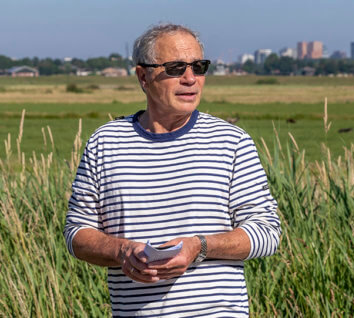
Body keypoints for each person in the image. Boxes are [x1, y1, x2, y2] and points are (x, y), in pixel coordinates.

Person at [64, 23, 281, 317]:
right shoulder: (105, 143)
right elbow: (77, 234)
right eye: (176, 68)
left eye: (199, 67)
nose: (191, 79)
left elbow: (267, 232)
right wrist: (123, 252)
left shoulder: (232, 141)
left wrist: (200, 247)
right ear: (143, 76)